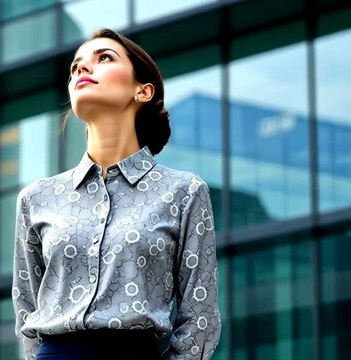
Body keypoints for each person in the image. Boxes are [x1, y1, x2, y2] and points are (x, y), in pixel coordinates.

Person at [11, 28, 221, 360]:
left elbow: (201, 318)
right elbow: (26, 311)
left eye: (104, 58)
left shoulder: (183, 192)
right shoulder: (37, 199)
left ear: (143, 91)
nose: (82, 68)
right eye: (75, 66)